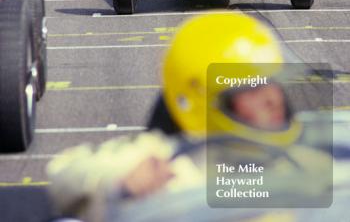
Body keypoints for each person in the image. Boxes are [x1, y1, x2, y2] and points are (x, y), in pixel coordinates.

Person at [46, 12, 336, 222]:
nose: (272, 99)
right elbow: (67, 172)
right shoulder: (165, 160)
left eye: (272, 82)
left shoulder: (314, 145)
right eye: (251, 89)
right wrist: (117, 184)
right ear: (204, 101)